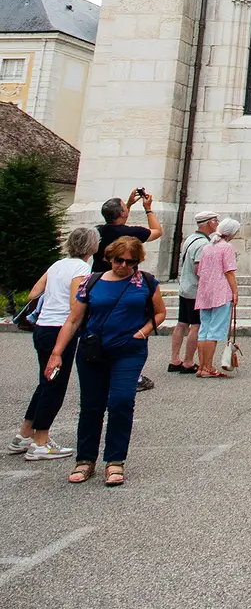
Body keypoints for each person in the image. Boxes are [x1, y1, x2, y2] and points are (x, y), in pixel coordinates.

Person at [44, 233, 167, 485]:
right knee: (91, 405)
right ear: (109, 257)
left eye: (130, 262)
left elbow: (160, 312)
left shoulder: (146, 282)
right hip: (94, 349)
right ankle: (85, 460)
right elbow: (74, 320)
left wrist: (142, 332)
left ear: (137, 262)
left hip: (129, 349)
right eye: (119, 260)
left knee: (121, 401)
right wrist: (56, 353)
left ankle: (115, 460)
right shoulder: (91, 282)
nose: (123, 266)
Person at [10, 226, 98, 459]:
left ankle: (25, 434)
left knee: (45, 381)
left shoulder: (57, 265)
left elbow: (33, 294)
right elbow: (75, 302)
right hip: (62, 328)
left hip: (43, 327)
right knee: (54, 385)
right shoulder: (82, 267)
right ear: (92, 246)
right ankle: (41, 441)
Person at [94, 191, 163, 388]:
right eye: (125, 209)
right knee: (130, 324)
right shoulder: (130, 234)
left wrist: (128, 205)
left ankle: (102, 366)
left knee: (101, 324)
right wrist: (148, 208)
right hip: (125, 284)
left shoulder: (98, 231)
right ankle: (134, 375)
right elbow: (157, 231)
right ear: (123, 214)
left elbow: (115, 222)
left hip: (100, 281)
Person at [169, 210, 218, 372]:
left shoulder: (191, 239)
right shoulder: (203, 244)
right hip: (196, 291)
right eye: (215, 221)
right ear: (209, 223)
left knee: (182, 323)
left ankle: (175, 359)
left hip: (185, 288)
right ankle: (188, 361)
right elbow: (199, 269)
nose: (217, 224)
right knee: (196, 325)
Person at [194, 216, 240, 377]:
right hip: (220, 291)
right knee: (213, 331)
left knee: (204, 330)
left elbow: (199, 271)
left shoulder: (207, 247)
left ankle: (201, 366)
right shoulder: (226, 247)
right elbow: (229, 271)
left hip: (205, 291)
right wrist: (235, 292)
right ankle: (208, 367)